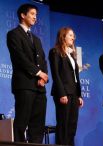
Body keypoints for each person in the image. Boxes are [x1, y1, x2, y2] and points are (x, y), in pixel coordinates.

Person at [6, 3, 48, 143]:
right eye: (32, 14)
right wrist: (38, 73)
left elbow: (42, 59)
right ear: (23, 15)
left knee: (38, 124)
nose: (35, 17)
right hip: (24, 84)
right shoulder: (13, 34)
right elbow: (19, 57)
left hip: (39, 87)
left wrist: (43, 77)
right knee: (21, 122)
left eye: (36, 15)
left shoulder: (36, 39)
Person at [49, 27, 84, 146]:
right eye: (70, 35)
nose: (73, 37)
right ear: (63, 36)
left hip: (74, 93)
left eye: (73, 35)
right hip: (63, 93)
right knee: (63, 124)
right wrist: (61, 93)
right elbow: (56, 74)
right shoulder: (55, 52)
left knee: (72, 125)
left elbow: (76, 76)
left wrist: (79, 95)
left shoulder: (72, 55)